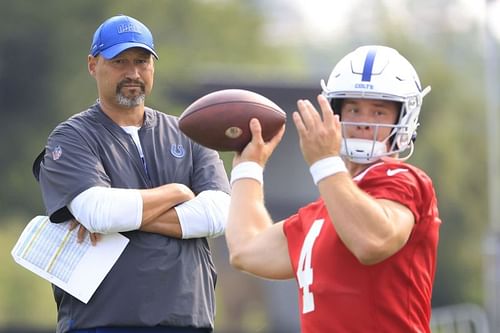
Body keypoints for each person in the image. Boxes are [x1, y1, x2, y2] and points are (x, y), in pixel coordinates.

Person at [32, 15, 230, 333]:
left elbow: (218, 215)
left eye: (142, 61)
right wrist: (179, 192)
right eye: (120, 61)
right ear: (93, 65)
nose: (133, 73)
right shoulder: (71, 136)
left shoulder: (190, 132)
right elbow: (100, 212)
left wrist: (122, 216)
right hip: (102, 321)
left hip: (187, 317)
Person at [225, 45, 440, 332]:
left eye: (378, 112)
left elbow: (372, 241)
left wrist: (325, 163)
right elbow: (246, 249)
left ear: (404, 118)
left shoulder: (403, 178)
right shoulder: (325, 210)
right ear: (335, 114)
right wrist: (248, 168)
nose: (364, 122)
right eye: (353, 109)